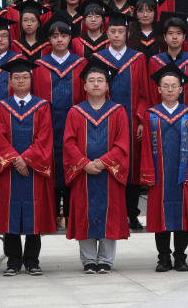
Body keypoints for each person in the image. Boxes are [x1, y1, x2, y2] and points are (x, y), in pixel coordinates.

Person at [63, 63, 132, 274]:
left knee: (110, 212)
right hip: (83, 173)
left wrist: (104, 162)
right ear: (84, 86)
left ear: (107, 86)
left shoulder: (118, 111)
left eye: (100, 80)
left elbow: (123, 143)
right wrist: (84, 163)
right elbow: (69, 143)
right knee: (84, 212)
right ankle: (89, 260)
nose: (95, 84)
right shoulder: (75, 112)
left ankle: (106, 260)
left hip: (108, 173)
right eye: (91, 80)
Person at [0, 57, 54, 276]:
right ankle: (13, 262)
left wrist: (26, 159)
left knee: (34, 214)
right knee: (11, 215)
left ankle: (32, 261)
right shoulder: (2, 107)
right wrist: (16, 160)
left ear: (31, 79)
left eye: (25, 77)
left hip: (33, 170)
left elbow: (45, 137)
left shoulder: (42, 106)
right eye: (16, 77)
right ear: (10, 81)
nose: (21, 80)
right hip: (11, 170)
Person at [139, 65, 188, 272]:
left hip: (182, 176)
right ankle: (164, 258)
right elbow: (146, 148)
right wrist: (148, 173)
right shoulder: (151, 115)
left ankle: (181, 257)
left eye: (174, 86)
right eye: (165, 86)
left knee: (183, 216)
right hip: (160, 176)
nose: (169, 89)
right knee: (160, 217)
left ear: (180, 89)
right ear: (159, 89)